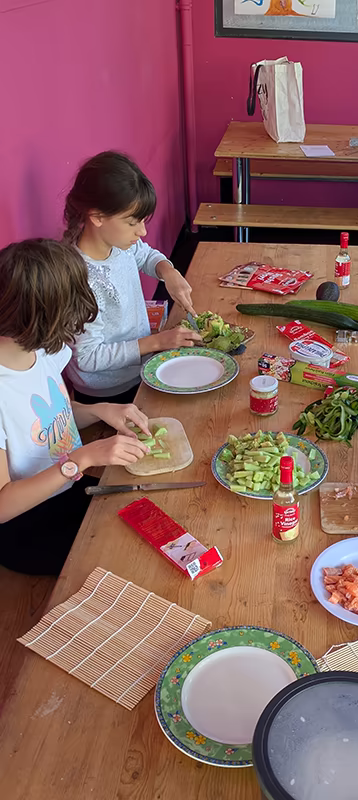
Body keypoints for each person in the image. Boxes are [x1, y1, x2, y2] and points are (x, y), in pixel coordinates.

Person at [0, 239, 151, 575]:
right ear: (41, 318)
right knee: (129, 559)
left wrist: (100, 410)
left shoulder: (40, 351)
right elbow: (2, 505)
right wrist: (83, 458)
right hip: (24, 526)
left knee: (145, 519)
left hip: (67, 487)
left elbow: (55, 418)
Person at [63, 151, 202, 405]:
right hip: (106, 393)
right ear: (97, 216)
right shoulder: (78, 279)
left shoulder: (118, 244)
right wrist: (155, 342)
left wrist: (167, 271)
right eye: (132, 222)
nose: (143, 231)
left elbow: (145, 254)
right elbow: (88, 357)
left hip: (139, 369)